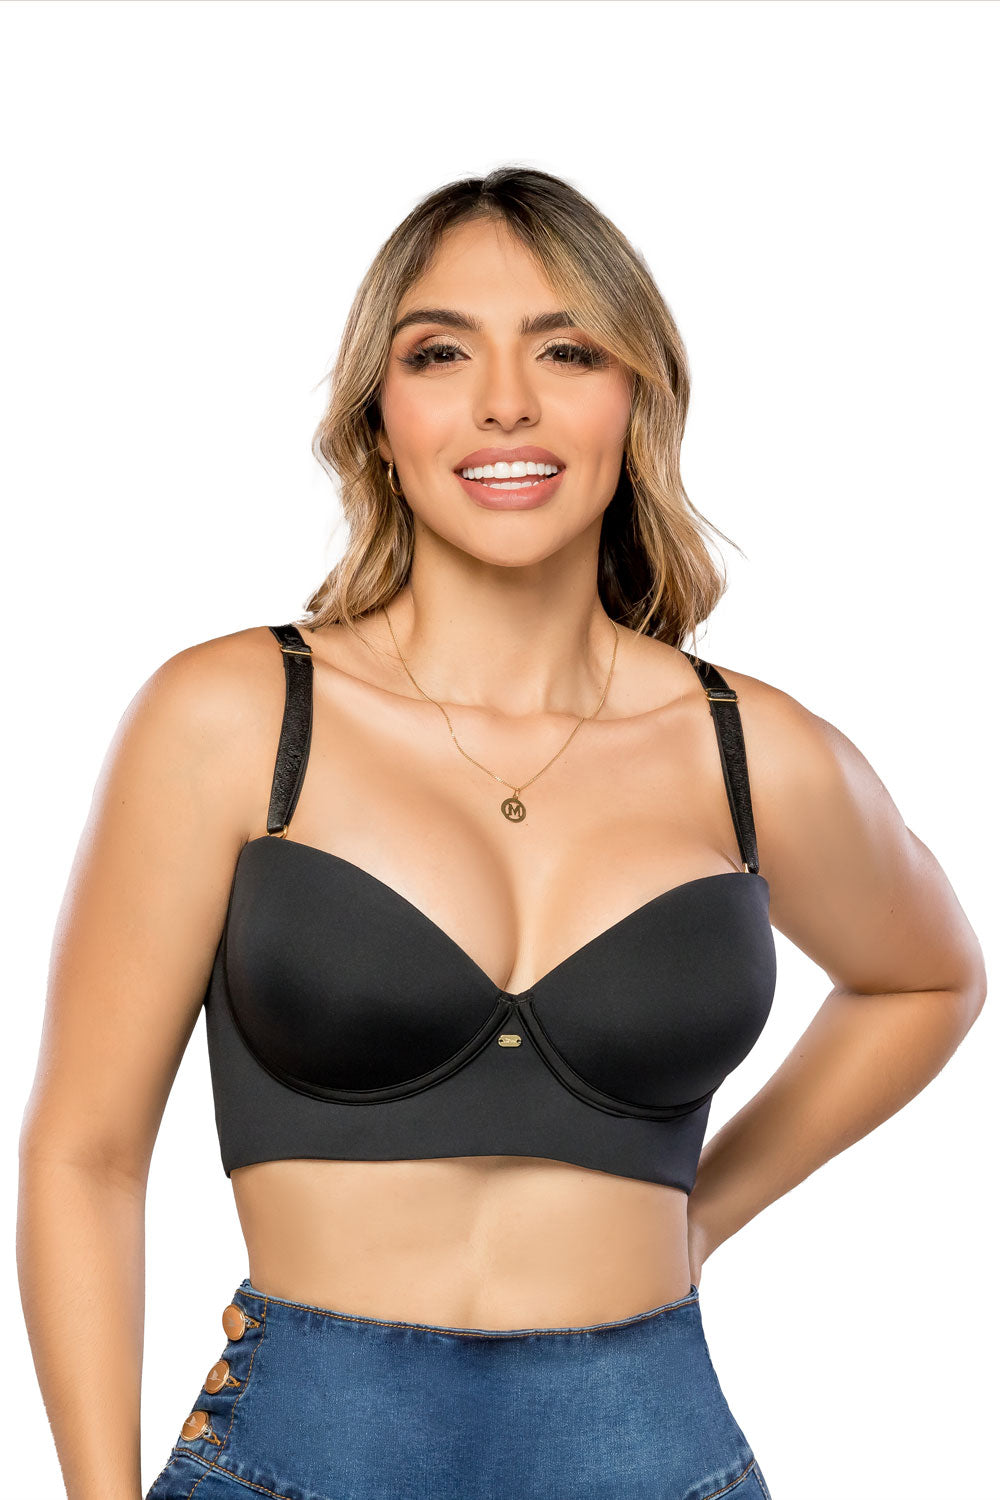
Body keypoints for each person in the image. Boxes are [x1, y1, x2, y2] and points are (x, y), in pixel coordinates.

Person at [18, 168, 986, 1500]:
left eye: (566, 350)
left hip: (656, 1454)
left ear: (638, 396)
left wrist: (706, 1214)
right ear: (378, 417)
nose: (506, 404)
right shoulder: (234, 717)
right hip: (299, 1459)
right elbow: (84, 1155)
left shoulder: (752, 752)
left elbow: (929, 979)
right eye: (441, 353)